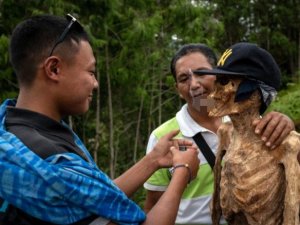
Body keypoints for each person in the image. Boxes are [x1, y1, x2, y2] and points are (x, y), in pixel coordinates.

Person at [0, 14, 200, 225]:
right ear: (54, 69)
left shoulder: (16, 131)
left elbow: (92, 201)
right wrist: (182, 172)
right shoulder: (49, 158)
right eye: (91, 72)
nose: (95, 84)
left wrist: (154, 160)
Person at [143, 43, 295, 225]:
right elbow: (153, 205)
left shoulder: (251, 125)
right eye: (184, 79)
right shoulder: (162, 137)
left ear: (218, 77)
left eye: (201, 73)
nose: (194, 85)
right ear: (178, 90)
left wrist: (286, 123)